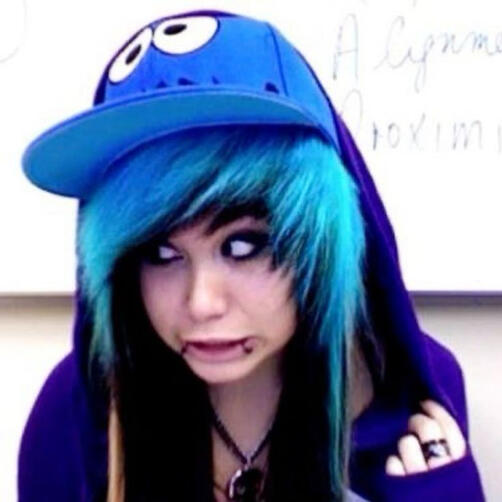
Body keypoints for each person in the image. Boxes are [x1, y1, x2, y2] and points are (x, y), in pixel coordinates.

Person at [17, 9, 485, 502]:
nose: (202, 303)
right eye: (161, 253)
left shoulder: (405, 404)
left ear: (323, 243)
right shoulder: (76, 416)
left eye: (243, 246)